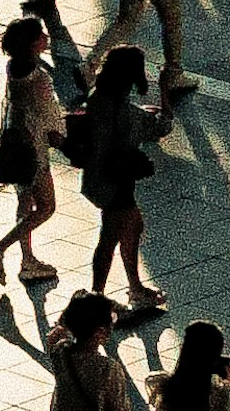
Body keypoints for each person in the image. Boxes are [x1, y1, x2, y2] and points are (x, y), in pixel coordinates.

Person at [63, 40, 166, 320]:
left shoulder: (101, 95)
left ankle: (134, 287)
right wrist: (163, 102)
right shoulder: (118, 108)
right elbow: (157, 130)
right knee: (110, 237)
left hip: (102, 175)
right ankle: (98, 298)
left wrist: (139, 115)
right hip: (115, 178)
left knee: (132, 226)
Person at [0, 14, 66, 292]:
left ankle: (28, 260)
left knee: (25, 203)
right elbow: (49, 116)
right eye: (41, 34)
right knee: (46, 207)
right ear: (32, 43)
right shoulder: (39, 78)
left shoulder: (13, 68)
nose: (46, 37)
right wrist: (65, 135)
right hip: (33, 150)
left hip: (11, 144)